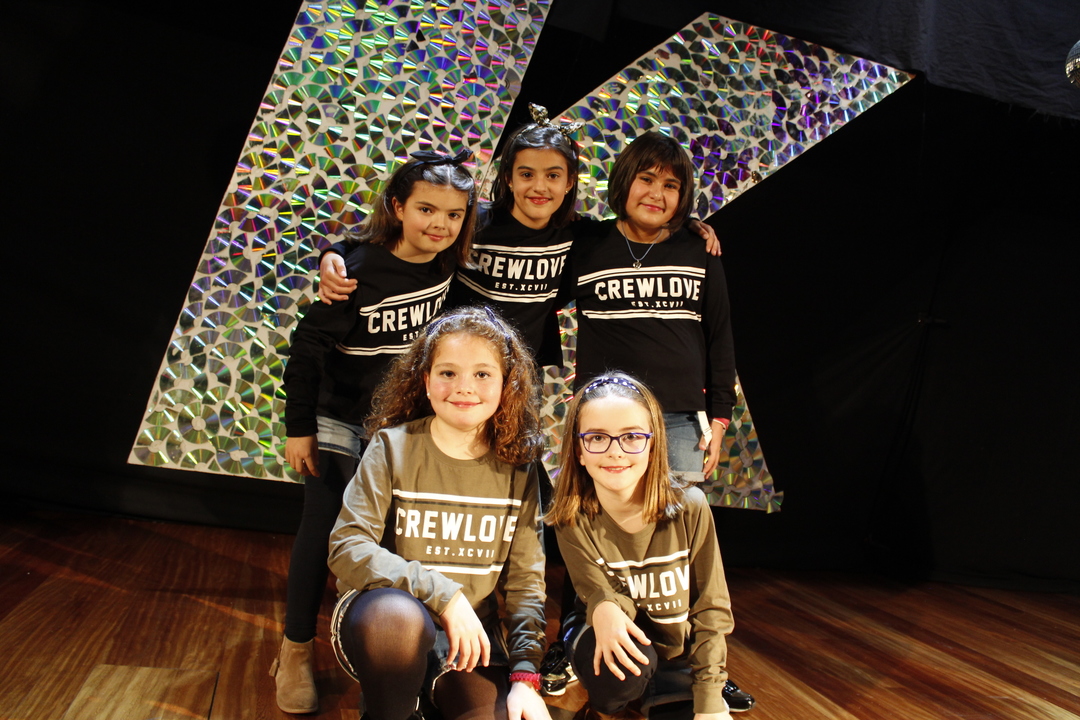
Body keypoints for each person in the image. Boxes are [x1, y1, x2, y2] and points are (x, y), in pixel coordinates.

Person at [272, 150, 478, 714]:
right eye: (426, 209)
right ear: (398, 207)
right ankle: (294, 650)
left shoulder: (446, 265)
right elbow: (307, 349)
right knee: (323, 529)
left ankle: (387, 656)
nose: (440, 224)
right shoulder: (357, 269)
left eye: (453, 215)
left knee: (389, 541)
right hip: (337, 420)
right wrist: (299, 427)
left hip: (397, 429)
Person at [565, 131, 755, 712]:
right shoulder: (586, 243)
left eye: (670, 185)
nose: (656, 193)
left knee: (680, 551)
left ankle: (699, 666)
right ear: (624, 182)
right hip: (604, 422)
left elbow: (720, 337)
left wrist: (718, 419)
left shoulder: (700, 250)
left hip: (676, 421)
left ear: (684, 197)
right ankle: (580, 643)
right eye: (646, 179)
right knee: (589, 529)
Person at [317, 104, 721, 366]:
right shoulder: (473, 223)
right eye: (526, 174)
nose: (539, 187)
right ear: (508, 178)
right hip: (456, 365)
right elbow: (398, 237)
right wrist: (334, 252)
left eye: (553, 176)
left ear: (569, 183)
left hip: (522, 373)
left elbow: (630, 229)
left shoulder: (579, 235)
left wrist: (688, 225)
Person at [327, 306, 551, 720]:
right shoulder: (392, 447)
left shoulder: (519, 468)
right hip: (387, 624)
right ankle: (391, 704)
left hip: (466, 638)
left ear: (507, 384)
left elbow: (525, 583)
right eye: (448, 372)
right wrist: (445, 596)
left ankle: (421, 700)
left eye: (482, 374)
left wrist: (525, 676)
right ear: (426, 381)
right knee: (396, 620)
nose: (464, 387)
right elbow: (346, 547)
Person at [546, 373, 736, 720]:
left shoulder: (690, 507)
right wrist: (604, 606)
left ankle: (665, 691)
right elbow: (598, 591)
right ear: (578, 450)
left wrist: (710, 698)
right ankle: (606, 709)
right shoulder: (571, 515)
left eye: (632, 436)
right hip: (606, 633)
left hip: (675, 654)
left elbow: (711, 608)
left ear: (653, 444)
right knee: (621, 671)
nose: (615, 451)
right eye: (597, 437)